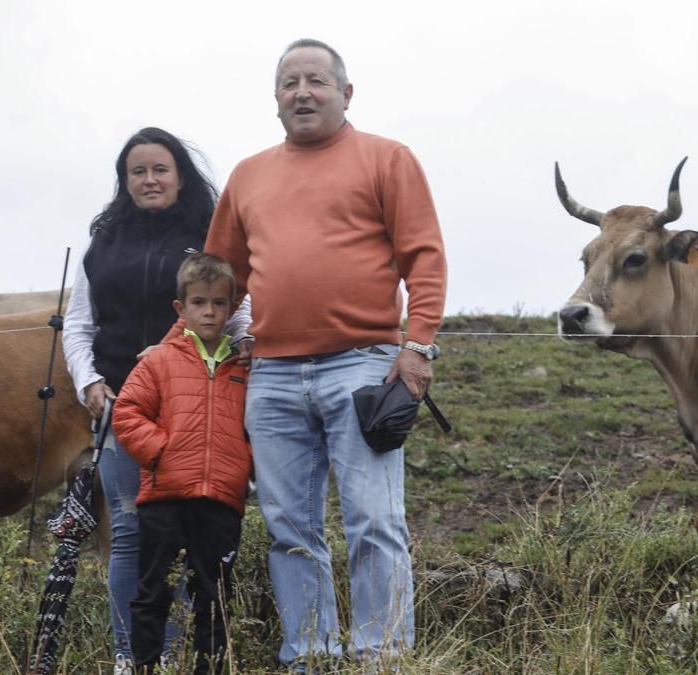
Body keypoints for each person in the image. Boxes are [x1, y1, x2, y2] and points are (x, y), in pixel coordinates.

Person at [202, 39, 448, 669]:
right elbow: (220, 275)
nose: (302, 91)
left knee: (374, 521)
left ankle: (381, 656)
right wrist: (196, 345)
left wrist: (416, 347)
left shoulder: (387, 158)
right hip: (273, 373)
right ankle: (310, 655)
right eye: (289, 83)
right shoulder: (248, 175)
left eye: (316, 80)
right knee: (290, 529)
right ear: (276, 99)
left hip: (364, 364)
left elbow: (424, 257)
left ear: (346, 93)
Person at [63, 128, 248, 674]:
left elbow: (240, 311)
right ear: (125, 181)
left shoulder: (211, 235)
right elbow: (79, 325)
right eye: (137, 171)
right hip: (123, 406)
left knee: (197, 532)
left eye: (161, 169)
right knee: (127, 530)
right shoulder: (104, 243)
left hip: (200, 406)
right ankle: (137, 658)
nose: (150, 180)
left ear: (181, 176)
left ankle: (199, 653)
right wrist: (89, 383)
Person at [112, 252, 252, 675]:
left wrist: (246, 467)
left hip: (222, 501)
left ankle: (209, 668)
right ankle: (145, 666)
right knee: (154, 588)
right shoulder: (158, 360)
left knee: (213, 593)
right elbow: (126, 413)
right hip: (164, 496)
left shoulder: (246, 367)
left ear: (231, 307)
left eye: (219, 303)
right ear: (181, 308)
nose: (209, 312)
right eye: (198, 303)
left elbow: (259, 425)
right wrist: (161, 451)